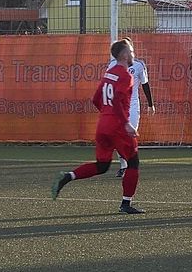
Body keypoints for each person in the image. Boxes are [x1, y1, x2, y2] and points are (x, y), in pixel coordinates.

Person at [51, 39, 144, 214]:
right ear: (124, 55)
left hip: (103, 125)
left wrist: (106, 115)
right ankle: (125, 204)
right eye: (131, 51)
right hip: (118, 126)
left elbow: (95, 99)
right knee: (133, 162)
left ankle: (67, 176)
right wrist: (126, 123)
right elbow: (116, 100)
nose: (133, 54)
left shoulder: (109, 74)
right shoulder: (125, 75)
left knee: (102, 166)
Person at [107, 37, 155, 177]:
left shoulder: (139, 65)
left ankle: (131, 166)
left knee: (129, 136)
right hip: (117, 108)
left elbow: (145, 84)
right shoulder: (112, 65)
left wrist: (151, 104)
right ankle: (123, 166)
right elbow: (108, 85)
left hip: (133, 106)